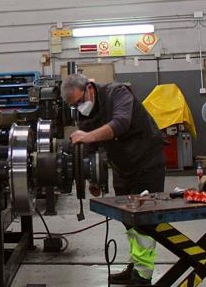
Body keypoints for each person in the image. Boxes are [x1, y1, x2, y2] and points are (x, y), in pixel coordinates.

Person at [61, 74, 165, 286]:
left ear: (90, 88)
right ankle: (136, 266)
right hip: (122, 167)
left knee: (143, 222)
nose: (80, 107)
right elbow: (89, 147)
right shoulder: (86, 113)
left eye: (80, 102)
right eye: (74, 106)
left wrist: (87, 136)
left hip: (146, 163)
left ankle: (143, 276)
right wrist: (92, 179)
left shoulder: (117, 92)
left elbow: (121, 123)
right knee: (129, 221)